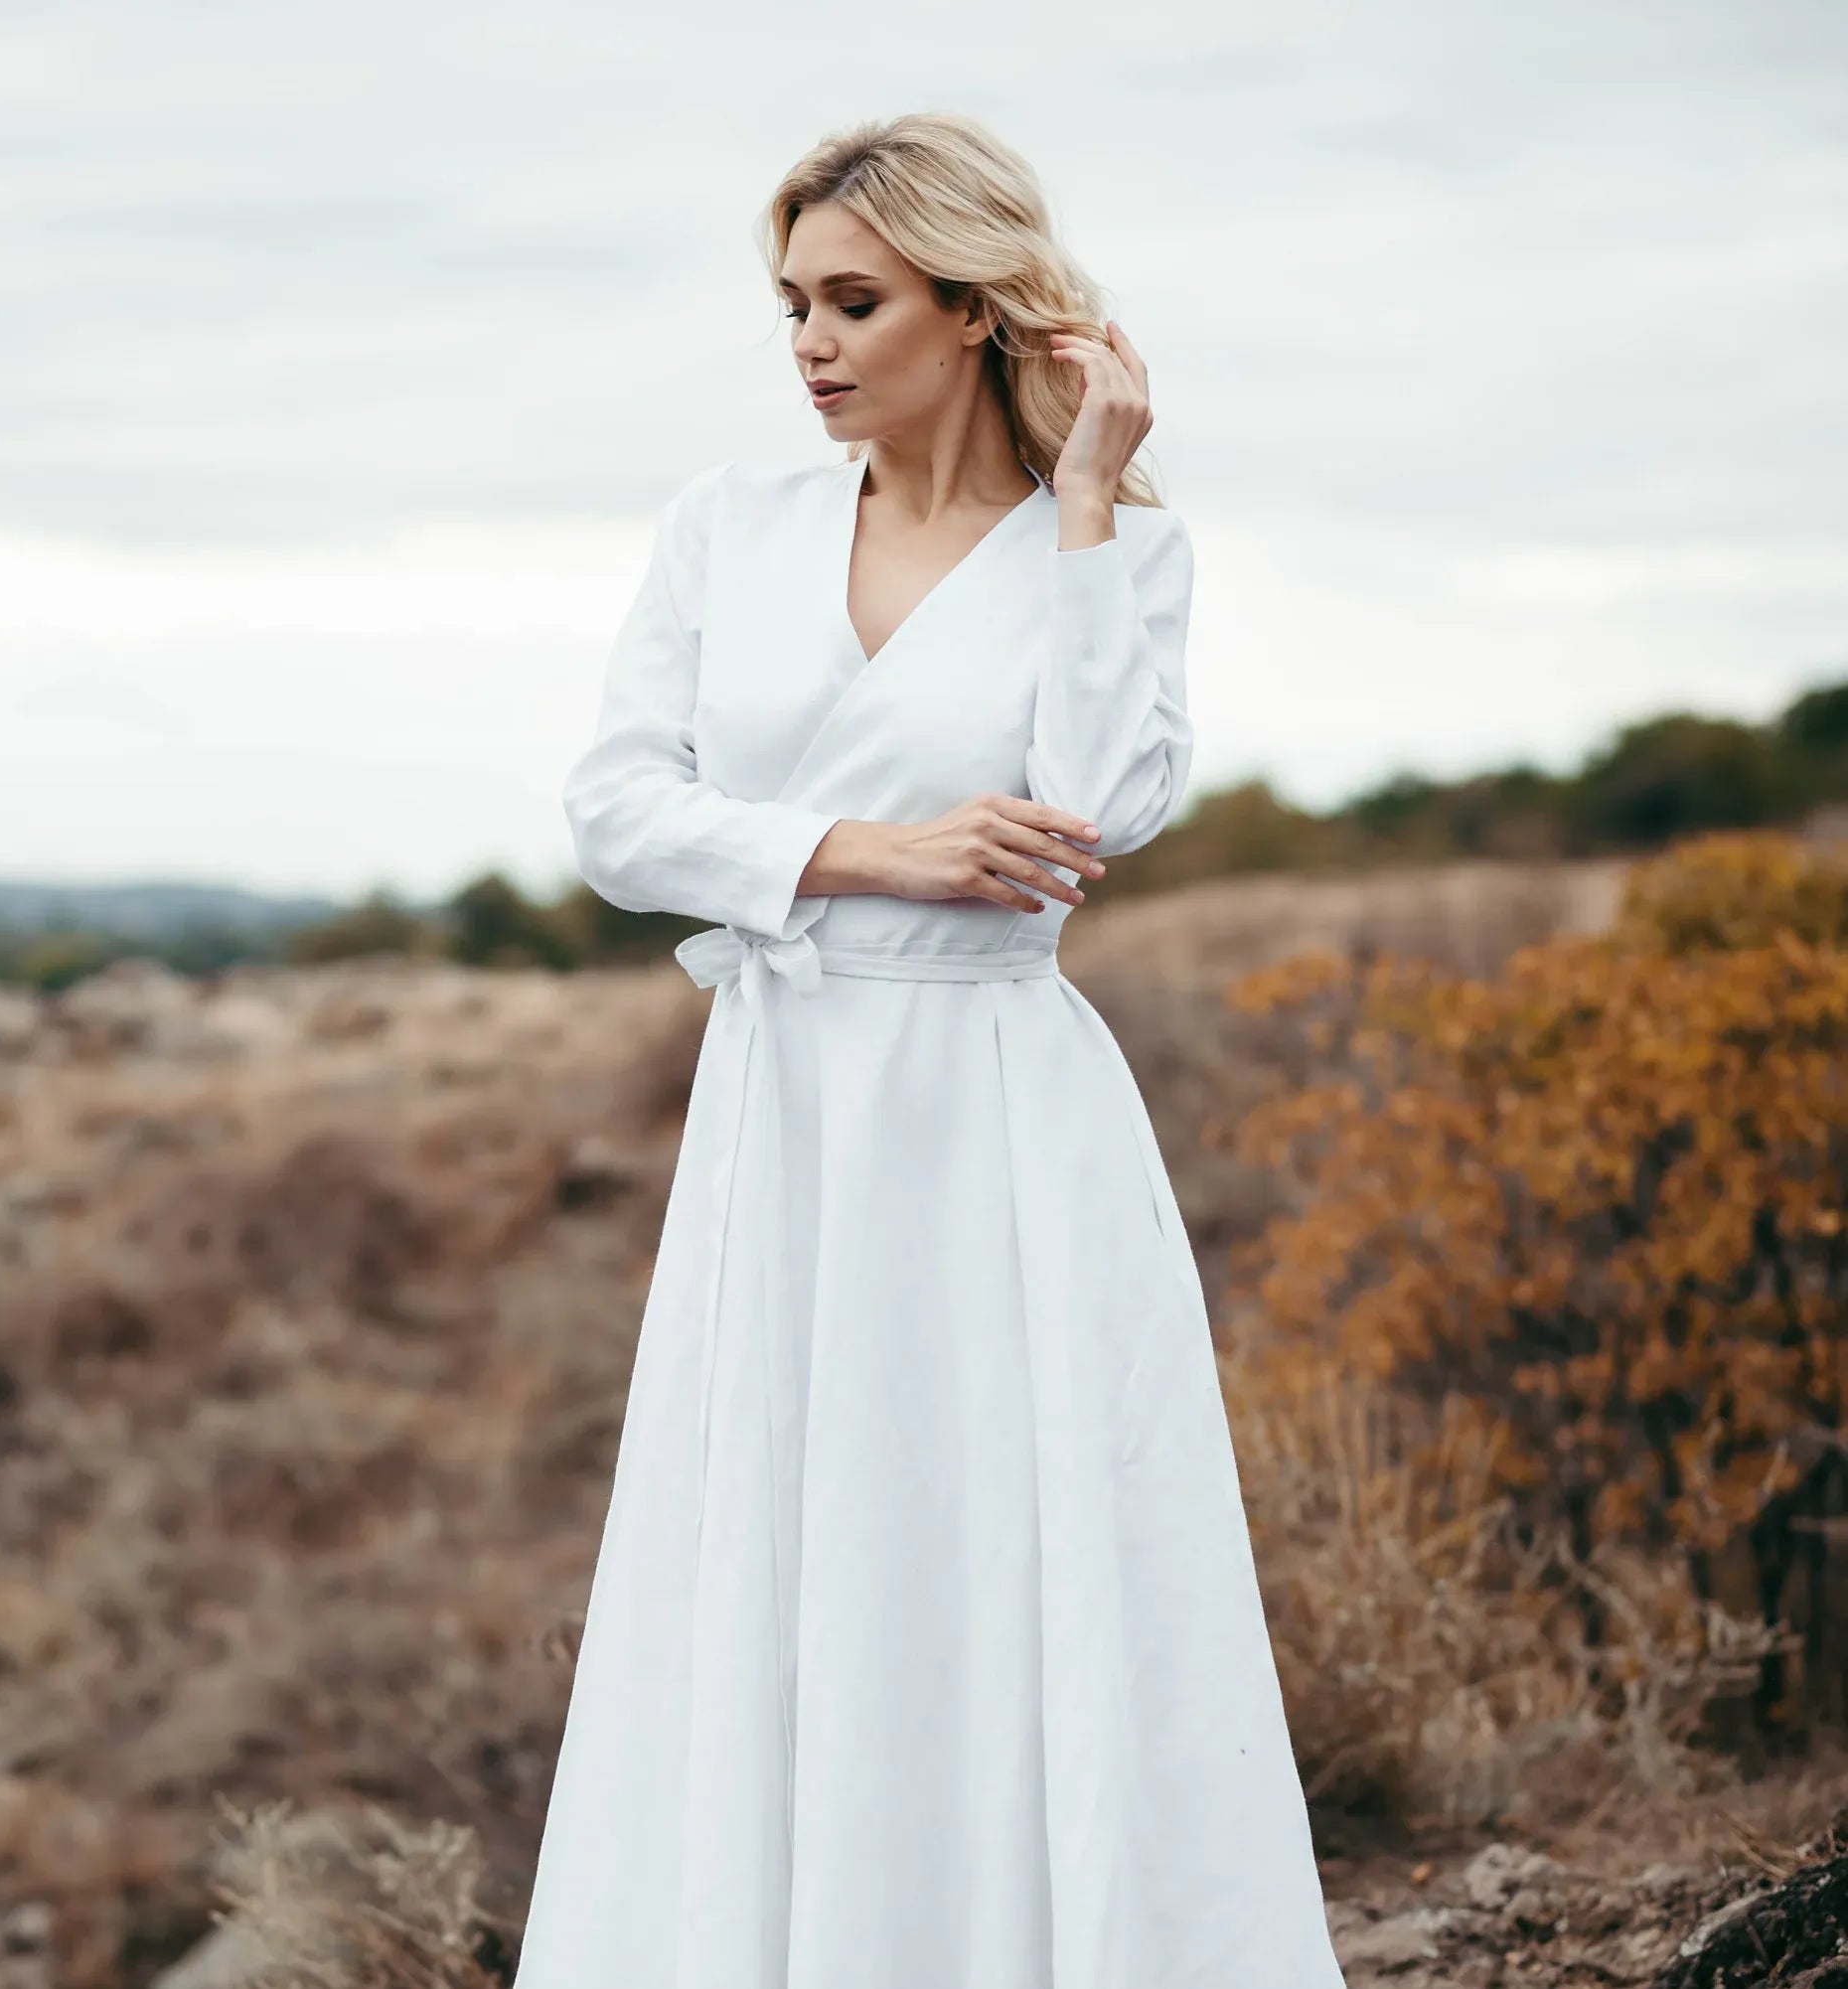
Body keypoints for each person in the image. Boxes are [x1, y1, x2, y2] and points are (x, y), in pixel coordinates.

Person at [513, 112, 1347, 1987]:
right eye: (791, 303)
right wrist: (860, 849)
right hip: (786, 1102)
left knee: (1000, 1542)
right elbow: (615, 809)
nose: (809, 341)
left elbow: (1104, 801)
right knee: (784, 1548)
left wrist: (1087, 507)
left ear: (973, 310)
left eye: (853, 299)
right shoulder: (732, 526)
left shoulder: (1115, 545)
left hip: (993, 1106)